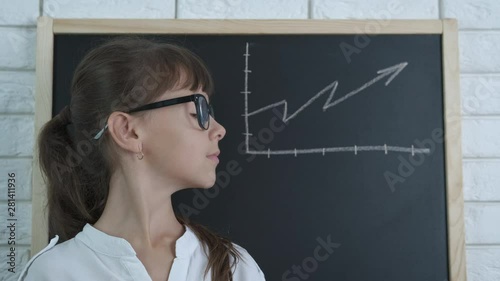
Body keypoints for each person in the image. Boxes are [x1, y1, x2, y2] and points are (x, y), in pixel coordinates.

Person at [17, 36, 266, 281]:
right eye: (198, 110)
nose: (219, 129)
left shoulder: (234, 268)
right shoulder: (53, 273)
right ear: (128, 131)